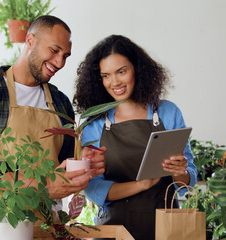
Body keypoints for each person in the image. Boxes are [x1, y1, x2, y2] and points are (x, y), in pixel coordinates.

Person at [0, 15, 105, 240]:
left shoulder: (60, 102)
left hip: (46, 225)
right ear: (30, 40)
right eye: (54, 50)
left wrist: (84, 163)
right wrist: (43, 187)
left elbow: (64, 168)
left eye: (65, 56)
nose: (60, 62)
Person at [73, 35, 197, 240]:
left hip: (167, 230)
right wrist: (141, 185)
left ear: (137, 69)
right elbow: (93, 188)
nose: (114, 82)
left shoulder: (167, 113)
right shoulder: (93, 124)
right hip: (113, 231)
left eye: (122, 71)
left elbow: (189, 177)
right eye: (106, 75)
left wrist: (179, 172)